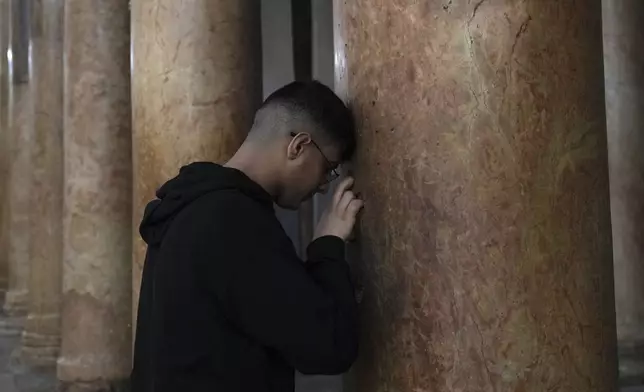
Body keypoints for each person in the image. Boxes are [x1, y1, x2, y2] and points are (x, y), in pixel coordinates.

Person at [131, 81, 363, 392]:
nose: (323, 186)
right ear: (298, 147)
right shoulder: (233, 221)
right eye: (328, 169)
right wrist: (328, 246)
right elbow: (328, 347)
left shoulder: (190, 204)